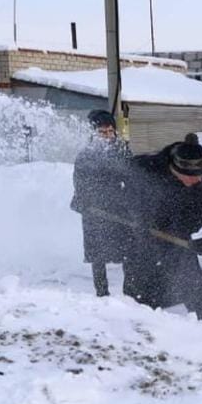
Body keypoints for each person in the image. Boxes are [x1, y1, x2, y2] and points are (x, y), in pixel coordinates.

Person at [122, 133, 202, 322]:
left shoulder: (200, 185)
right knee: (140, 294)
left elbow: (198, 217)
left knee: (195, 288)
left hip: (177, 241)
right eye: (192, 177)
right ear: (176, 169)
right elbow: (122, 194)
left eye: (200, 175)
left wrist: (174, 230)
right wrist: (140, 220)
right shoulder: (144, 168)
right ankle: (139, 331)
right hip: (141, 242)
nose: (197, 180)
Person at [70, 109, 131, 297]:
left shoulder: (122, 150)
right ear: (94, 133)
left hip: (119, 208)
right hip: (94, 210)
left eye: (110, 131)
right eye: (102, 132)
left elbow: (131, 176)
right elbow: (79, 181)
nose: (107, 136)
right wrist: (87, 201)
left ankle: (130, 292)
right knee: (98, 253)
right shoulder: (86, 155)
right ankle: (102, 292)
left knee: (128, 250)